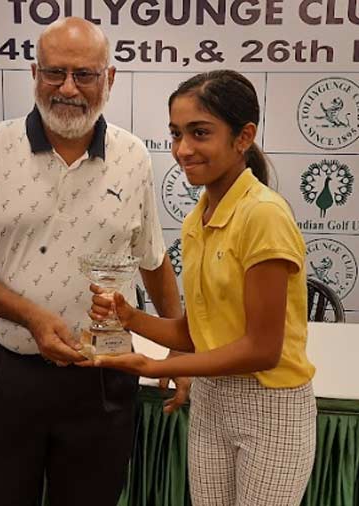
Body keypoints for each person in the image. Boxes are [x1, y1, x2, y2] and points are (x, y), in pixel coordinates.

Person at [0, 17, 184, 506]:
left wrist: (179, 351)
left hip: (103, 378)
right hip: (5, 372)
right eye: (54, 73)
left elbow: (153, 260)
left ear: (108, 79)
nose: (68, 88)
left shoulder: (134, 155)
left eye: (84, 75)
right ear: (34, 74)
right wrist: (32, 316)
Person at [88, 70, 316, 506]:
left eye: (200, 133)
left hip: (271, 405)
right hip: (212, 399)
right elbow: (198, 335)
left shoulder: (263, 215)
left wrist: (154, 368)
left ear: (243, 136)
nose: (182, 149)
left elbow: (263, 349)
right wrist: (130, 318)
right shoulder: (198, 219)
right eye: (176, 134)